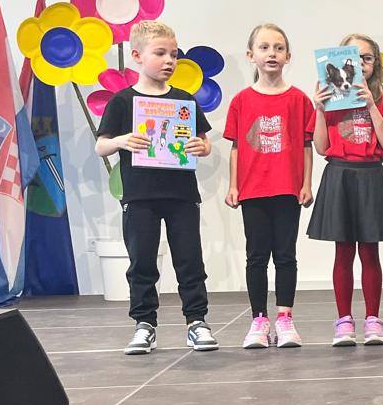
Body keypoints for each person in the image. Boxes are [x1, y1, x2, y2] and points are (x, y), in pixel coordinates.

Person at [93, 19, 217, 355]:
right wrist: (121, 140)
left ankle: (196, 321)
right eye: (160, 53)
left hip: (181, 194)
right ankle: (144, 324)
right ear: (137, 56)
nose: (169, 61)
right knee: (142, 262)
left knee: (189, 260)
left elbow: (204, 142)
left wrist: (201, 147)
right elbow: (101, 146)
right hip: (139, 195)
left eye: (173, 54)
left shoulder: (184, 100)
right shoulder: (123, 101)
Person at [308, 33, 383, 347]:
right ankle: (344, 320)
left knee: (369, 251)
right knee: (343, 252)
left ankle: (373, 319)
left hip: (371, 176)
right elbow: (321, 146)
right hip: (339, 175)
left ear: (375, 63)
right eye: (354, 57)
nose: (361, 63)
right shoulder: (331, 99)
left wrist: (371, 105)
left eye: (367, 58)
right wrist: (319, 109)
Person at [224, 23, 315, 350]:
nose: (271, 53)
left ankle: (285, 319)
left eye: (278, 48)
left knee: (286, 255)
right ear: (251, 55)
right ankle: (259, 320)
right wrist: (233, 186)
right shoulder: (241, 101)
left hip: (287, 188)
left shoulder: (299, 99)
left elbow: (306, 145)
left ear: (288, 56)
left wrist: (306, 183)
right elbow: (236, 147)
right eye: (264, 47)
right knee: (256, 255)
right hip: (253, 189)